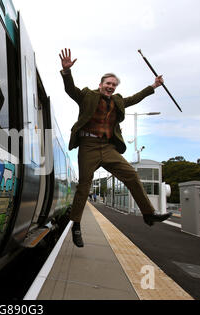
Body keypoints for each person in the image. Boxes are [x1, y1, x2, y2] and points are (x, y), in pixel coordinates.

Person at [59, 48, 172, 248]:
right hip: (88, 145)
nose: (110, 87)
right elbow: (70, 90)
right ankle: (75, 224)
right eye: (108, 84)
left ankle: (148, 214)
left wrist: (153, 85)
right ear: (101, 84)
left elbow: (135, 98)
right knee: (85, 183)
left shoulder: (118, 101)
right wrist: (67, 72)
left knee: (130, 174)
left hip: (108, 146)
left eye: (113, 84)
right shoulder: (87, 95)